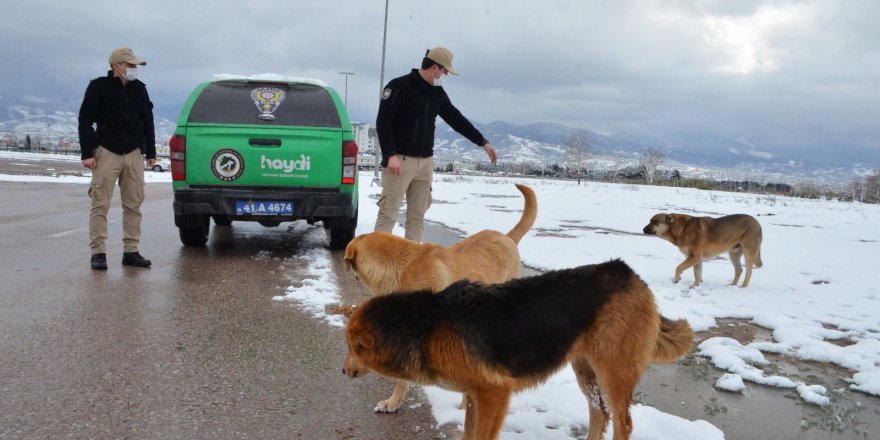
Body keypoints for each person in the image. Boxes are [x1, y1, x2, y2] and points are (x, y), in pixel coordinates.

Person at [374, 46, 497, 242]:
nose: (446, 76)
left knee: (417, 216)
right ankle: (376, 263)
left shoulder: (437, 93)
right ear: (435, 68)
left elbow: (456, 119)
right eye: (445, 71)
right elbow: (383, 122)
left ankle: (412, 265)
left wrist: (482, 142)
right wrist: (390, 155)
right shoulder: (399, 86)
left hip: (425, 164)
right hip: (400, 161)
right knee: (388, 213)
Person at [78, 47, 156, 270]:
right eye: (129, 65)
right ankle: (98, 253)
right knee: (100, 204)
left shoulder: (139, 90)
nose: (133, 69)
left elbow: (147, 120)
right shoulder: (98, 87)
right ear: (115, 66)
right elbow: (85, 121)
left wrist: (150, 152)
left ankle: (131, 251)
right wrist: (87, 153)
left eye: (135, 66)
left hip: (132, 152)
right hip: (106, 151)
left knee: (134, 204)